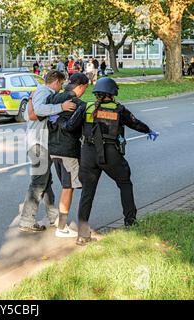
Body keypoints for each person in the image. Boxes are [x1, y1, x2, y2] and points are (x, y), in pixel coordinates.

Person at [61, 77, 158, 245]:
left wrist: (61, 123)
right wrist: (148, 130)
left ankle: (82, 236)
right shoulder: (119, 110)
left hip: (88, 155)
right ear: (112, 94)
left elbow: (70, 127)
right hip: (111, 154)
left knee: (87, 193)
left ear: (97, 93)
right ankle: (130, 222)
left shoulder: (86, 108)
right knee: (125, 184)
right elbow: (135, 123)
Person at [18, 70, 76, 232]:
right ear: (56, 81)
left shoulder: (37, 92)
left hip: (38, 142)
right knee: (38, 183)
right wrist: (61, 106)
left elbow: (27, 114)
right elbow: (38, 111)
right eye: (61, 84)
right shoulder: (44, 92)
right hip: (39, 143)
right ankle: (26, 221)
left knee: (46, 181)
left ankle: (53, 217)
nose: (61, 87)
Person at [45, 73, 89, 237]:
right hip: (68, 150)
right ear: (81, 86)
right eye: (85, 88)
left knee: (65, 185)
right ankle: (62, 227)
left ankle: (59, 221)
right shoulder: (79, 104)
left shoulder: (53, 98)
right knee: (68, 187)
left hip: (52, 148)